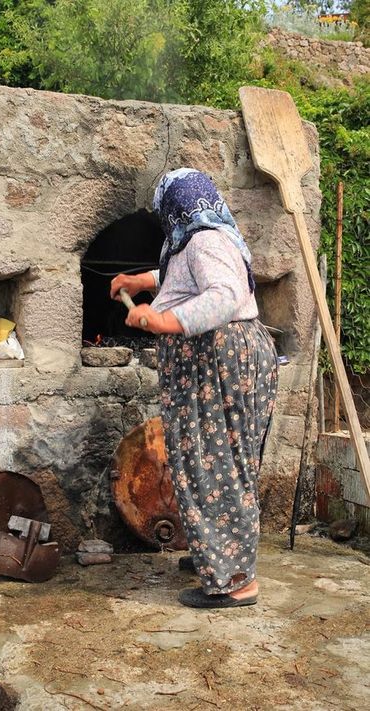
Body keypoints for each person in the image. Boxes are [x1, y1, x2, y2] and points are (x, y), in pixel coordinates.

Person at [110, 168, 278, 609]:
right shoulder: (191, 238)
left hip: (220, 364)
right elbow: (180, 275)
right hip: (207, 366)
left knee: (216, 462)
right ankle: (215, 555)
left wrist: (164, 320)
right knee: (201, 461)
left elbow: (224, 293)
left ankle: (236, 582)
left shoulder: (206, 240)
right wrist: (139, 282)